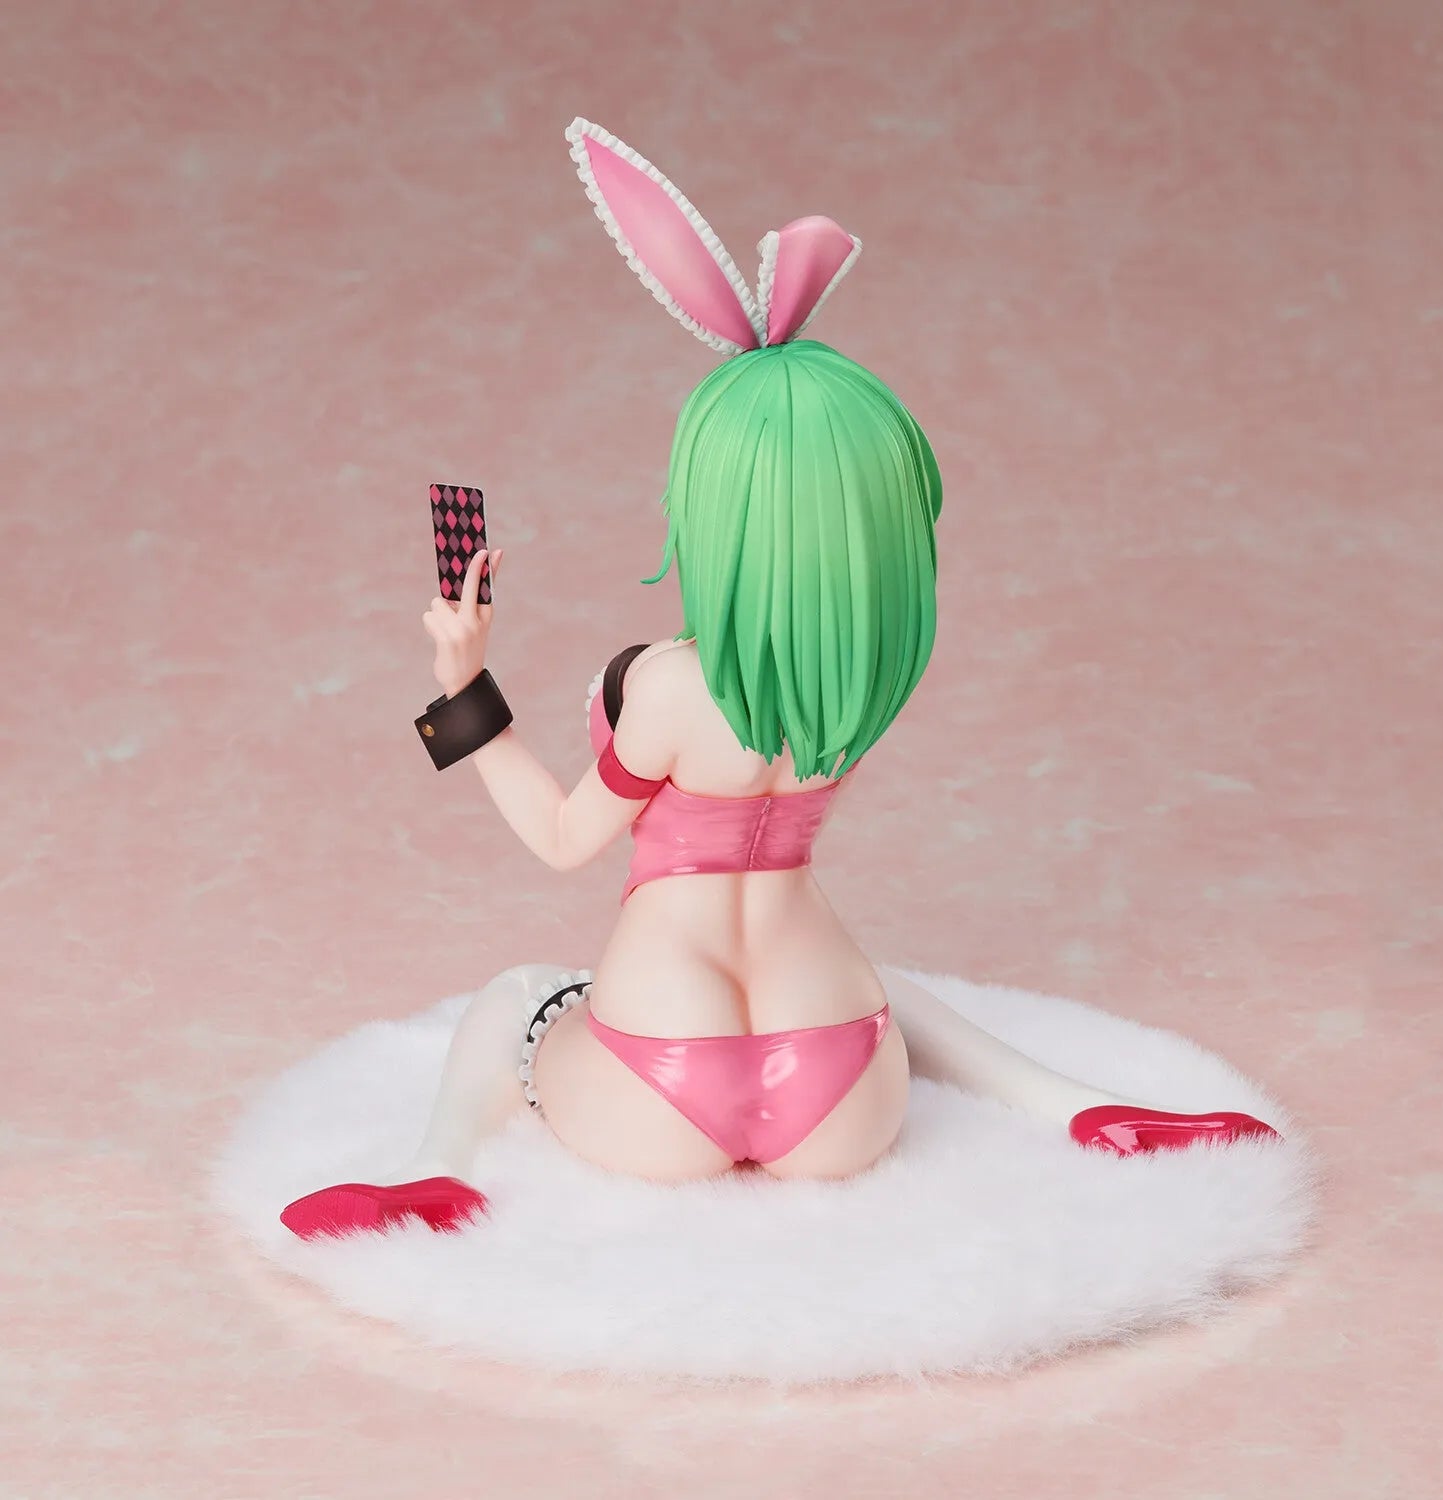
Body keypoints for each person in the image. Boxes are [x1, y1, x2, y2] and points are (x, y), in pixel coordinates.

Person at [282, 120, 1277, 1239]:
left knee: (517, 996)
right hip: (842, 1089)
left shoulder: (667, 687)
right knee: (890, 990)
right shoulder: (862, 676)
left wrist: (465, 684)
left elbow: (563, 839)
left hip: (662, 1082)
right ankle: (1079, 1106)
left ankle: (437, 1167)